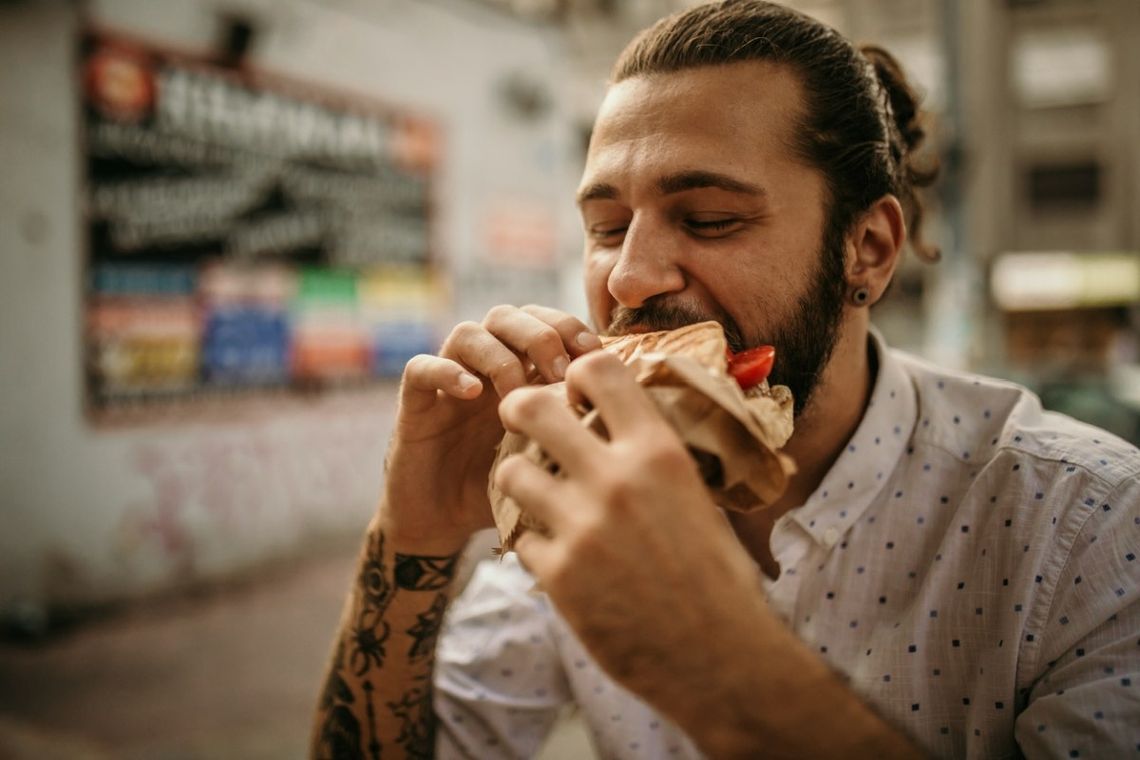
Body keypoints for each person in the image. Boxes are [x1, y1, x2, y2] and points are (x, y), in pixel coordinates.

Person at [311, 1, 1140, 757]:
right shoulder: (580, 489)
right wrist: (410, 533)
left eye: (710, 219)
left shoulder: (1092, 528)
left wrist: (718, 662)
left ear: (869, 250)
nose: (629, 278)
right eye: (605, 228)